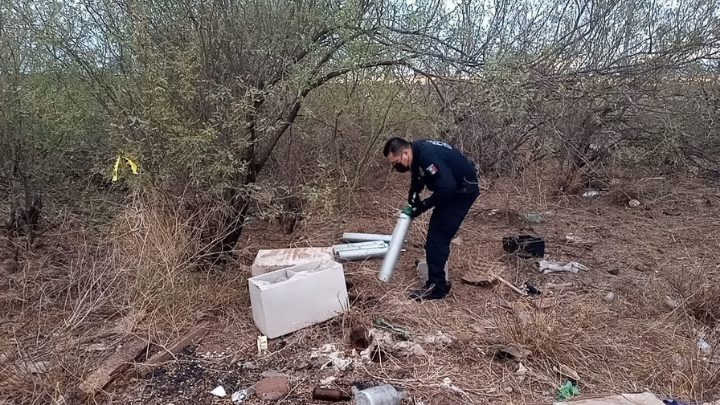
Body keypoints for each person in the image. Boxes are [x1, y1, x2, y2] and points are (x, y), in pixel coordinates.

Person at [383, 137, 480, 301]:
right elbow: (419, 173)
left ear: (405, 153)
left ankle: (436, 287)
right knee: (436, 235)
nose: (396, 166)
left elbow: (446, 186)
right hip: (454, 189)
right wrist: (414, 192)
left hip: (461, 192)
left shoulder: (427, 154)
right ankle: (439, 281)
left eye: (396, 161)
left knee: (437, 237)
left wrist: (422, 206)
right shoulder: (418, 150)